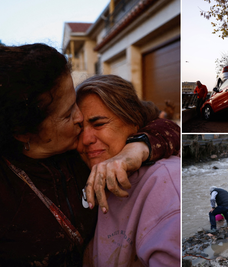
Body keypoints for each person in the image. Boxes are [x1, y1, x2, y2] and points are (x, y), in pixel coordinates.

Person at [0, 43, 180, 266]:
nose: (79, 120)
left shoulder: (162, 183)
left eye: (75, 102)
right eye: (67, 115)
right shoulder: (11, 185)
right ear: (24, 133)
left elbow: (165, 125)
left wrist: (136, 148)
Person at [77, 75, 180, 266]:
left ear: (134, 122)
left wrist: (137, 147)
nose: (85, 139)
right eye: (78, 128)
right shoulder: (78, 168)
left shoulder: (165, 183)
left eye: (98, 124)